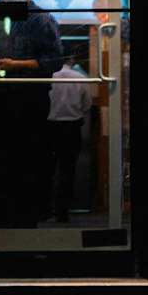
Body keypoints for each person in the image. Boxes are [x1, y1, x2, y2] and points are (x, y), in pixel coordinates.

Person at [0, 0, 61, 228]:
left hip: (31, 99)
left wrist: (15, 64)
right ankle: (1, 217)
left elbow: (53, 61)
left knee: (28, 159)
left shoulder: (41, 19)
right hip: (2, 97)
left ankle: (26, 219)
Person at [41, 49, 92, 223]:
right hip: (72, 127)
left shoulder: (49, 76)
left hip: (49, 127)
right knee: (67, 171)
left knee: (46, 170)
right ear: (72, 59)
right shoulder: (81, 78)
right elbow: (87, 105)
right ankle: (62, 211)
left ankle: (45, 209)